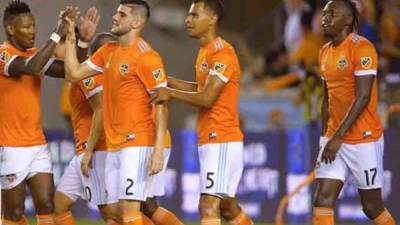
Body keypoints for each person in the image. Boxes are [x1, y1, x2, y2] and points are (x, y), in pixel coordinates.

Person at [62, 1, 176, 224]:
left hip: (138, 143)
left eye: (122, 14)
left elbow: (162, 103)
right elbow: (73, 74)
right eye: (116, 12)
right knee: (117, 213)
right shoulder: (108, 52)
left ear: (137, 22)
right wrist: (70, 38)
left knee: (130, 212)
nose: (114, 17)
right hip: (115, 146)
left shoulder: (147, 57)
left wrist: (159, 149)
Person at [149, 1, 253, 225]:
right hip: (211, 139)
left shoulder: (223, 53)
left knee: (208, 205)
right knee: (227, 207)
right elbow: (200, 89)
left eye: (194, 15)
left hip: (222, 138)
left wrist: (170, 93)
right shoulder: (205, 52)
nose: (188, 20)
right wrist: (168, 82)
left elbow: (207, 98)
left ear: (212, 19)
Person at [0, 1, 97, 224]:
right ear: (11, 29)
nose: (32, 31)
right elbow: (31, 67)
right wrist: (56, 34)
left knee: (46, 205)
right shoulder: (3, 55)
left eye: (33, 26)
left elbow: (71, 71)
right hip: (11, 146)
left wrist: (82, 41)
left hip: (37, 144)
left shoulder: (36, 55)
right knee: (14, 213)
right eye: (26, 27)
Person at [313, 1, 397, 225]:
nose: (325, 18)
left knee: (371, 207)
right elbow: (327, 99)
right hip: (334, 139)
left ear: (348, 20)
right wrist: (325, 137)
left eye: (331, 14)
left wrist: (337, 137)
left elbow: (363, 97)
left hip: (364, 139)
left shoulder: (362, 47)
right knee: (322, 199)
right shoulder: (323, 52)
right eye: (324, 14)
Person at [53, 32, 120, 225]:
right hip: (88, 149)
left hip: (96, 150)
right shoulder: (89, 73)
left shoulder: (93, 77)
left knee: (111, 214)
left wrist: (89, 150)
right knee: (60, 204)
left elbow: (101, 111)